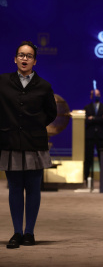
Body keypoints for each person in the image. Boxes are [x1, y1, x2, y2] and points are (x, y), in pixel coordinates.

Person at [0, 41, 57, 249]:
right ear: (15, 58)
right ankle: (16, 232)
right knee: (15, 188)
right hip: (10, 141)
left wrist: (34, 125)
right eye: (21, 55)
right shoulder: (3, 82)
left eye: (29, 56)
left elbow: (51, 113)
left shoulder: (44, 86)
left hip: (35, 143)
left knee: (33, 188)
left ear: (35, 61)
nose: (25, 59)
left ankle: (29, 233)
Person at [84, 89, 103, 182]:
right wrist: (100, 118)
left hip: (101, 136)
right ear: (91, 96)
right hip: (89, 136)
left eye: (98, 94)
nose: (96, 96)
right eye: (94, 94)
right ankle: (85, 178)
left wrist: (93, 118)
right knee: (88, 158)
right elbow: (86, 121)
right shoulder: (87, 107)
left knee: (101, 158)